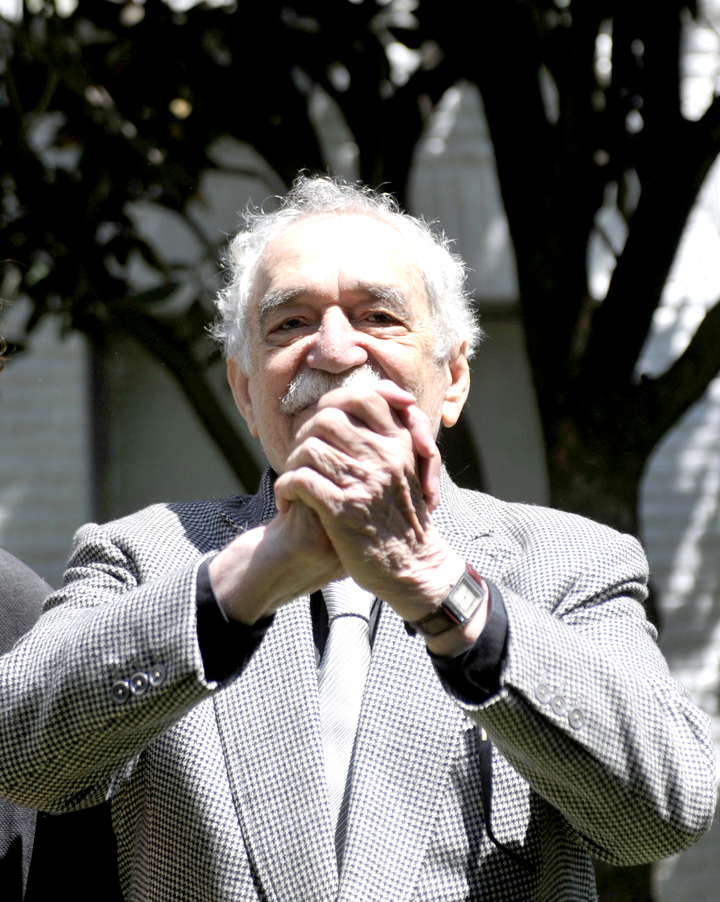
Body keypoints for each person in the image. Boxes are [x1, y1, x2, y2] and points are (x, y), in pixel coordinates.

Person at [0, 176, 714, 901]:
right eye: (290, 325)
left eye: (377, 317)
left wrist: (443, 590)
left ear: (454, 378)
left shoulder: (572, 563)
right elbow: (19, 755)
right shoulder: (144, 556)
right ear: (246, 391)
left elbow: (665, 811)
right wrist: (249, 577)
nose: (335, 352)